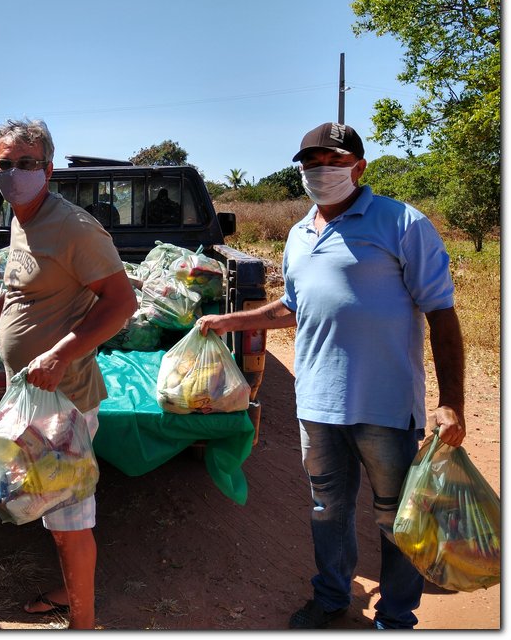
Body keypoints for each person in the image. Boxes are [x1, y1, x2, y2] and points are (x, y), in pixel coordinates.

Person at [197, 122, 465, 630]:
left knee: (395, 518)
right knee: (327, 508)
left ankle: (396, 615)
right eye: (312, 164)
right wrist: (230, 320)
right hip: (318, 403)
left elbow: (442, 313)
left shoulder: (402, 224)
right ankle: (331, 596)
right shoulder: (299, 234)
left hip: (385, 406)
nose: (322, 173)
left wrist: (451, 400)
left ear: (359, 167)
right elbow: (293, 308)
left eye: (334, 163)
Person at [0, 119, 137, 629]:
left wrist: (62, 352)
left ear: (49, 167)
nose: (14, 173)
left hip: (64, 401)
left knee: (69, 520)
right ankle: (69, 589)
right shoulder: (21, 217)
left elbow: (121, 303)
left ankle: (82, 624)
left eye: (27, 163)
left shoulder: (75, 228)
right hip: (31, 398)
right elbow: (27, 280)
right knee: (52, 503)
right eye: (4, 164)